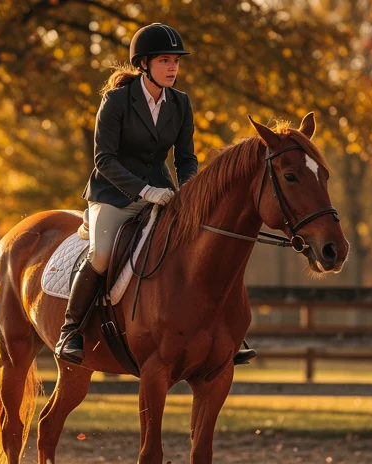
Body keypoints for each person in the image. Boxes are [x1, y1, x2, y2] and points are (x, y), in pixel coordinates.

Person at [54, 23, 257, 367]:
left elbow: (185, 158)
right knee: (101, 254)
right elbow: (104, 159)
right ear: (144, 64)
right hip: (114, 195)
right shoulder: (117, 100)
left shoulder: (180, 103)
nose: (173, 68)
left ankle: (222, 329)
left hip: (164, 193)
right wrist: (144, 190)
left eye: (176, 61)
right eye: (165, 61)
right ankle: (71, 331)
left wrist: (192, 194)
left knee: (198, 248)